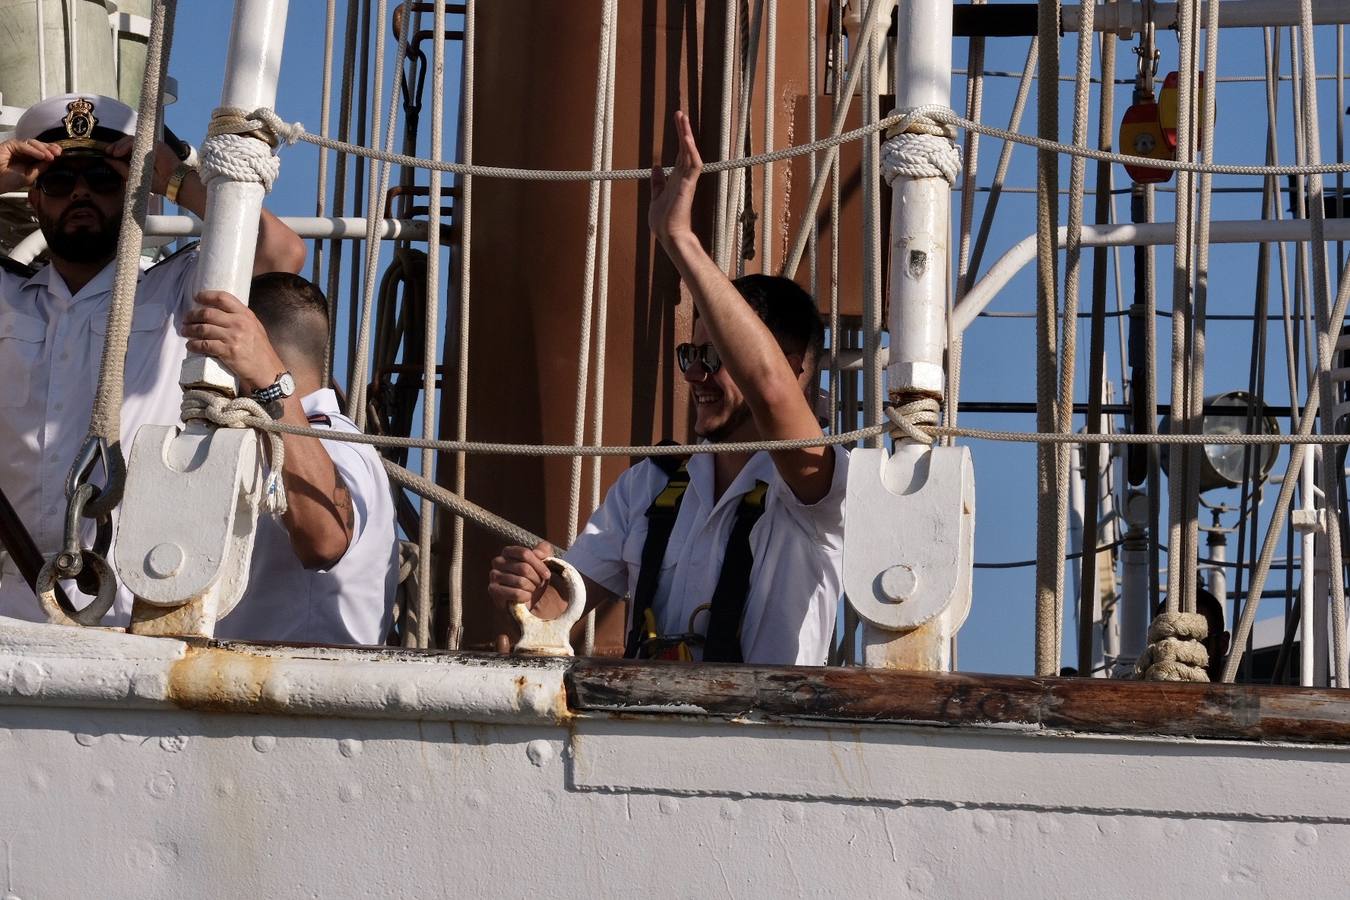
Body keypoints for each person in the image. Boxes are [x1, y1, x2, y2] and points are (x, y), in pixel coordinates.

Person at [488, 111, 847, 665]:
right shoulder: (647, 487)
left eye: (717, 357)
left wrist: (678, 239)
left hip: (766, 741)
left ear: (798, 366)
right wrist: (528, 596)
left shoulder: (816, 489)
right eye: (691, 355)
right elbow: (558, 608)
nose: (694, 375)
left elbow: (772, 393)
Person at [0, 93, 306, 623]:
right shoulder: (8, 296)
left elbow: (279, 252)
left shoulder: (177, 287)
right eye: (59, 182)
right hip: (12, 595)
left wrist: (174, 180)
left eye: (103, 181)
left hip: (140, 593)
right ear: (33, 199)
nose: (80, 194)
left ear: (135, 194)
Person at [186, 272, 398, 645]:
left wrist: (269, 381)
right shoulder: (289, 442)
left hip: (296, 695)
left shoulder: (335, 444)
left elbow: (325, 539)